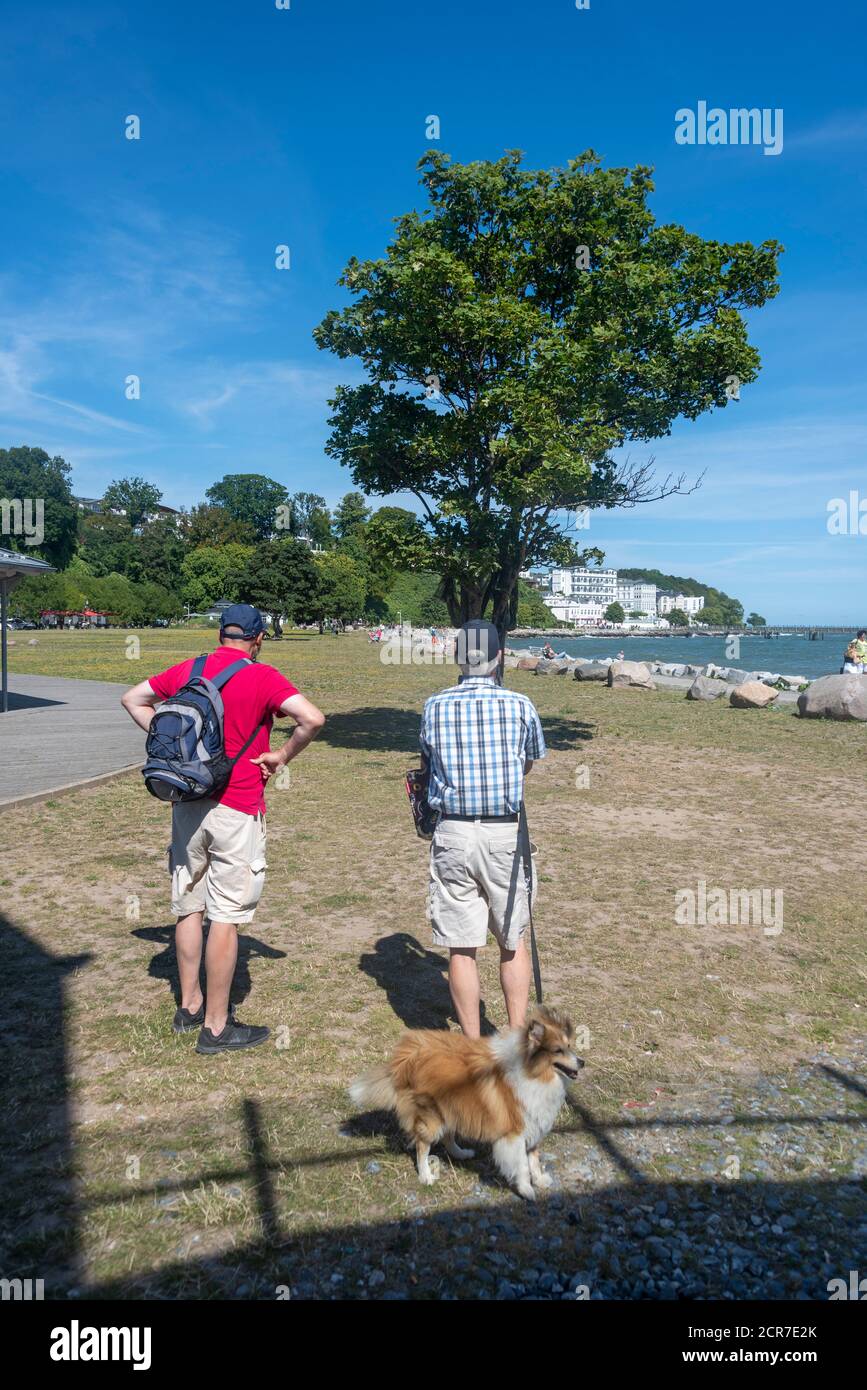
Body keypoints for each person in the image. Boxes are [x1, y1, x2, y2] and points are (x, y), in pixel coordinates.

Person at [120, 604, 325, 1054]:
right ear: (258, 639)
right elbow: (312, 719)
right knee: (226, 916)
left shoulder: (188, 670)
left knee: (189, 907)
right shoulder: (263, 675)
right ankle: (216, 1028)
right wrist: (282, 756)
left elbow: (132, 698)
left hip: (187, 803)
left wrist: (170, 747)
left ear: (220, 634)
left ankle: (189, 1004)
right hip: (237, 805)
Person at [419, 618, 546, 1039]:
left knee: (462, 945)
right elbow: (528, 763)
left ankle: (472, 1044)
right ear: (500, 656)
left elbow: (429, 765)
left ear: (456, 657)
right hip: (504, 835)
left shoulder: (434, 706)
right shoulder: (520, 704)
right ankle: (515, 1036)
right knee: (513, 940)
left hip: (453, 833)